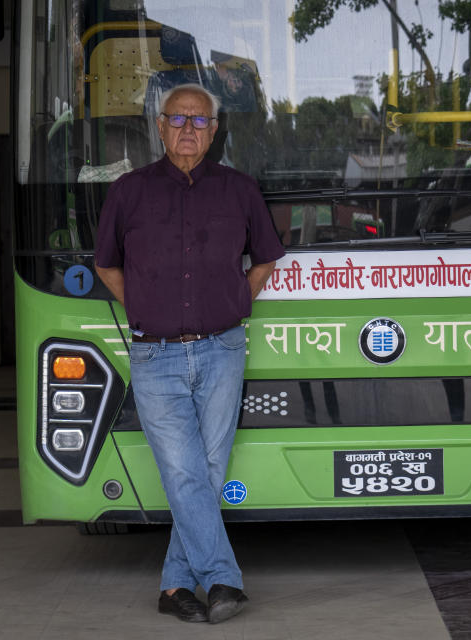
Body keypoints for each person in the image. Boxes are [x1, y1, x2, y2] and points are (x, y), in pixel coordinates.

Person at [94, 83, 285, 624]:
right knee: (183, 474)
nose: (187, 130)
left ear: (214, 130)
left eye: (199, 121)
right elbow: (107, 264)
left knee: (205, 469)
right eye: (177, 119)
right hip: (156, 358)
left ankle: (175, 586)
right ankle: (223, 579)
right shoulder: (128, 193)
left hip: (224, 349)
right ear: (159, 126)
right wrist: (149, 305)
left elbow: (266, 260)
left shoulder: (239, 190)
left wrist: (229, 302)